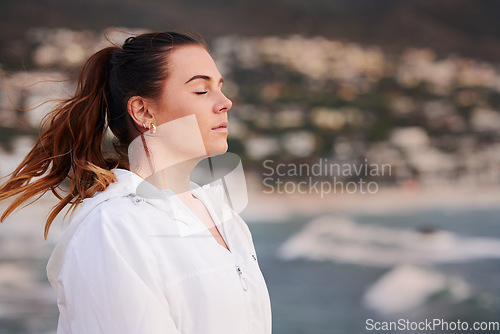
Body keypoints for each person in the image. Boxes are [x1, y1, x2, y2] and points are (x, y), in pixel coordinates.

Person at [0, 32, 272, 334]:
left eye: (220, 87)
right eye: (200, 90)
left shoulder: (223, 215)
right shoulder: (113, 228)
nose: (225, 103)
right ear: (143, 111)